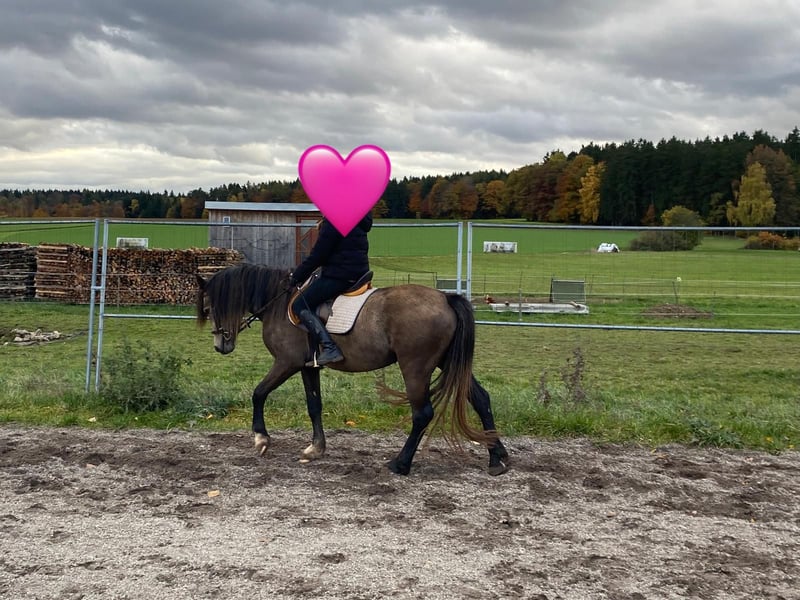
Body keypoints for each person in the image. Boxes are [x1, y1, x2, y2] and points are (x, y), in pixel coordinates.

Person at [289, 213, 373, 367]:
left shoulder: (335, 219)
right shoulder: (358, 215)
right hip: (359, 271)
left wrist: (297, 276)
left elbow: (318, 256)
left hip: (340, 275)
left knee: (299, 304)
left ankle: (330, 348)